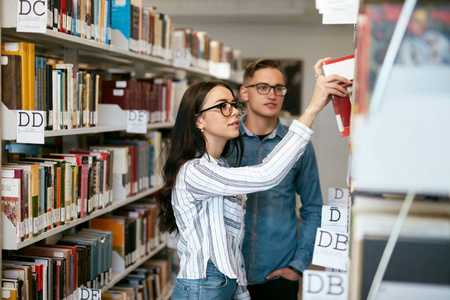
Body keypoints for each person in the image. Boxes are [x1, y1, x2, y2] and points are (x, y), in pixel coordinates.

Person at [156, 59, 351, 300]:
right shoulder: (195, 170)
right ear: (199, 120)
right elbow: (267, 174)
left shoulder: (220, 164)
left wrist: (245, 291)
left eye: (232, 105)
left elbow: (227, 241)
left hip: (237, 282)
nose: (234, 112)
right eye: (222, 106)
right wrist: (313, 107)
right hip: (205, 287)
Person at [226, 58, 324, 299]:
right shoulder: (226, 141)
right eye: (263, 87)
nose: (272, 94)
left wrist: (298, 265)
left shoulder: (298, 146)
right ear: (244, 93)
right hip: (228, 274)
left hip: (279, 276)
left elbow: (313, 209)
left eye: (279, 88)